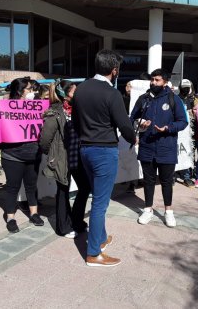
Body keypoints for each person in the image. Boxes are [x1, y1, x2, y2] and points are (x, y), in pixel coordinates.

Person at [72, 49, 136, 267]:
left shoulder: (80, 89)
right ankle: (93, 254)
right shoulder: (112, 94)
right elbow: (124, 124)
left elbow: (75, 121)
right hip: (104, 151)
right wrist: (134, 136)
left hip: (85, 149)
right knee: (100, 203)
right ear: (114, 70)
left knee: (96, 198)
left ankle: (99, 238)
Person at [130, 69, 188, 227]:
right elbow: (132, 118)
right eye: (152, 80)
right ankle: (147, 209)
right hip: (147, 147)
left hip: (166, 148)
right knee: (148, 180)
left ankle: (168, 211)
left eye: (157, 80)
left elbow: (183, 122)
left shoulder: (173, 99)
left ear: (165, 82)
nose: (153, 82)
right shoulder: (144, 99)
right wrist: (139, 124)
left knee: (166, 181)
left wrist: (168, 128)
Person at [39, 79, 91, 238]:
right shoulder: (54, 112)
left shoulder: (78, 109)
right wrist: (54, 155)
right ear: (64, 94)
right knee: (63, 192)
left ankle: (76, 220)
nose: (78, 94)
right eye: (74, 91)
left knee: (85, 187)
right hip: (62, 159)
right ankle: (63, 227)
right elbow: (44, 140)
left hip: (78, 157)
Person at [1, 77, 44, 233]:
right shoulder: (6, 107)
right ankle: (11, 217)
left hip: (33, 154)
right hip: (13, 156)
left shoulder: (37, 106)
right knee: (13, 188)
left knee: (32, 186)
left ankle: (34, 213)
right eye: (29, 89)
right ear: (20, 91)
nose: (32, 92)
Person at [174, 78, 197, 187]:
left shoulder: (192, 100)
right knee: (175, 152)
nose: (185, 90)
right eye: (183, 88)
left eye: (187, 88)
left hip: (188, 132)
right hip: (177, 130)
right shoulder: (175, 98)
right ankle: (173, 175)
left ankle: (186, 176)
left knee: (186, 153)